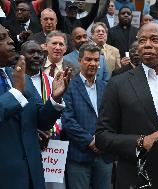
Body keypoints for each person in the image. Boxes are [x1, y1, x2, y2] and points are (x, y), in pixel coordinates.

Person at [95, 22, 158, 189]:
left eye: (154, 39)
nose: (147, 45)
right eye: (142, 41)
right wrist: (142, 141)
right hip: (135, 178)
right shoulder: (117, 84)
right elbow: (102, 137)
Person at [0, 24, 71, 189]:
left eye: (9, 36)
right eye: (2, 38)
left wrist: (54, 98)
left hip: (33, 175)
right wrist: (16, 92)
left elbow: (42, 121)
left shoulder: (18, 74)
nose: (11, 42)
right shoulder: (20, 80)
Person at [62, 43, 113, 189]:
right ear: (79, 61)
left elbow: (112, 118)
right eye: (88, 59)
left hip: (104, 155)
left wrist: (103, 140)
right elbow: (67, 120)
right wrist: (90, 141)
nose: (93, 63)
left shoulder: (106, 87)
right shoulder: (68, 86)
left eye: (96, 60)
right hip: (79, 155)